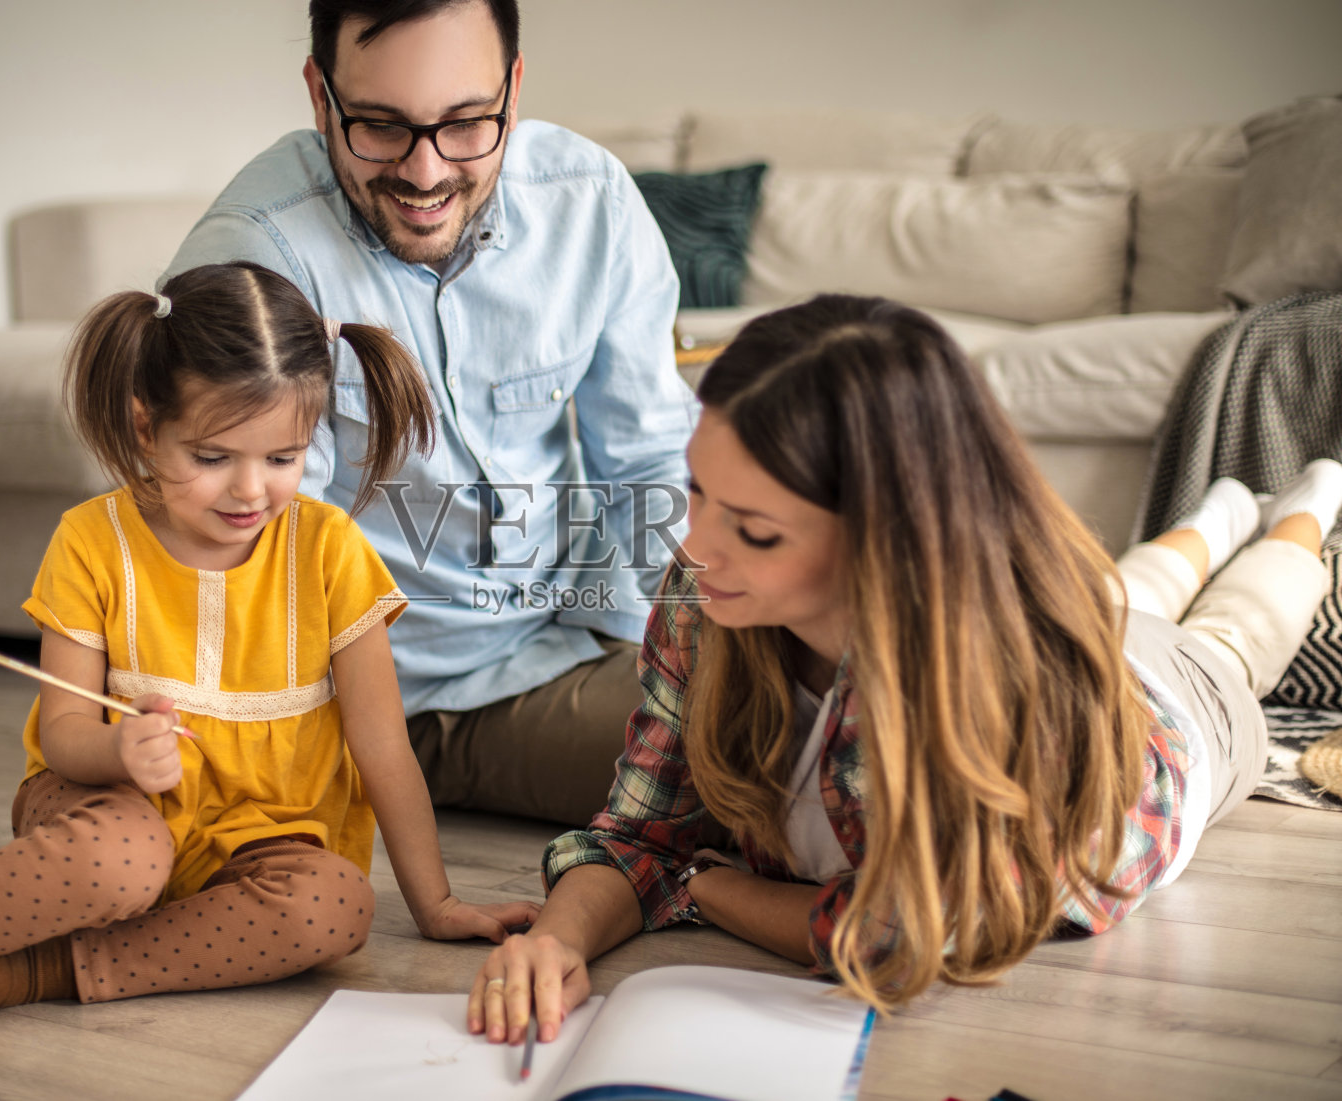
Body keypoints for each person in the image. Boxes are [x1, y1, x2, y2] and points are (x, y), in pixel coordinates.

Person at [465, 294, 1340, 1042]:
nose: (693, 548)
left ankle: (1307, 503)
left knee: (1235, 632)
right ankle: (1219, 513)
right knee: (1127, 591)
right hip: (1065, 622)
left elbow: (887, 940)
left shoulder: (979, 696)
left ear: (882, 540)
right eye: (696, 493)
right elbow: (643, 831)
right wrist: (559, 937)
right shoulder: (707, 599)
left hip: (1188, 717)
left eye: (756, 529)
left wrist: (704, 885)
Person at [0, 261, 539, 1067]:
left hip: (264, 834)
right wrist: (117, 750)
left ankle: (26, 972)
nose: (250, 489)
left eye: (283, 456)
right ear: (145, 427)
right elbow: (63, 729)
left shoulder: (330, 551)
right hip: (107, 808)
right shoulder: (91, 541)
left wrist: (436, 901)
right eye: (212, 457)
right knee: (123, 857)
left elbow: (382, 745)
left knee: (335, 909)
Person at [163, 0, 697, 827]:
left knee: (847, 696)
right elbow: (254, 554)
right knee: (741, 764)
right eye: (378, 126)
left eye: (465, 123)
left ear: (514, 90)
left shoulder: (588, 201)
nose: (424, 173)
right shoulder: (256, 258)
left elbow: (649, 457)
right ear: (319, 95)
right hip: (399, 701)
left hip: (576, 637)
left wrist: (664, 660)